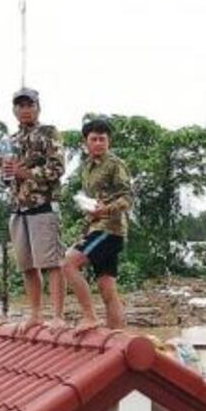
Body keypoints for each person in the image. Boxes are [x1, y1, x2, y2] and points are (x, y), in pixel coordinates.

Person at [0, 87, 67, 331]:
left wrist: (25, 172)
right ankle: (35, 314)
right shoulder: (9, 141)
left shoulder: (48, 133)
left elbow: (57, 169)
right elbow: (5, 178)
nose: (25, 110)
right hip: (18, 208)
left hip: (43, 205)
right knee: (27, 266)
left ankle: (58, 315)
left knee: (52, 263)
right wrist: (6, 173)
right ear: (14, 110)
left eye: (30, 105)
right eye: (21, 106)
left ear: (38, 107)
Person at [62, 119, 132, 332]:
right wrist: (86, 223)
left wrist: (106, 210)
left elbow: (127, 198)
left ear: (109, 141)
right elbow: (92, 202)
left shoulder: (115, 164)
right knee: (106, 288)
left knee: (68, 263)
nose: (99, 143)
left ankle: (90, 316)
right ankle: (116, 336)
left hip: (109, 229)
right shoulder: (86, 168)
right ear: (86, 142)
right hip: (95, 227)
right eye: (94, 139)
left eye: (103, 139)